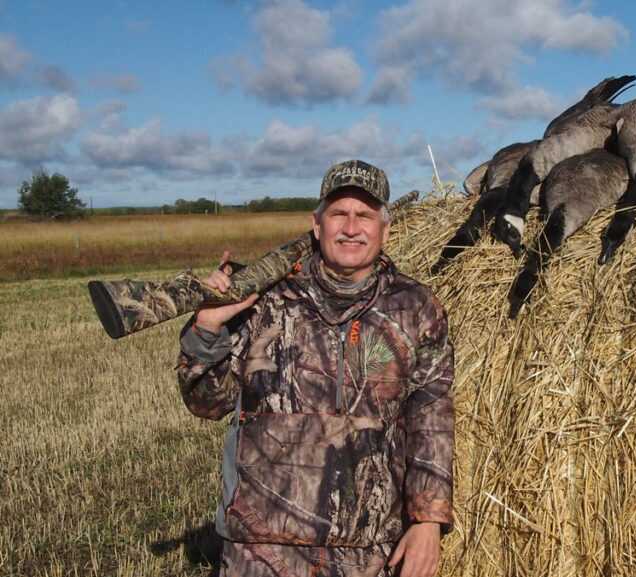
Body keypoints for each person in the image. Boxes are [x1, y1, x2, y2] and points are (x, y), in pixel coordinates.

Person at [176, 160, 454, 577]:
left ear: (385, 229)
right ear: (317, 224)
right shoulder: (263, 300)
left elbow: (431, 418)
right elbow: (207, 403)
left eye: (364, 215)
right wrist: (208, 327)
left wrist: (428, 521)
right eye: (338, 213)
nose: (351, 227)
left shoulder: (416, 307)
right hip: (260, 548)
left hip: (370, 549)